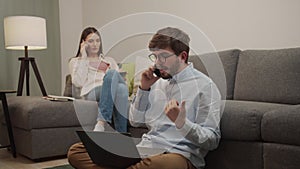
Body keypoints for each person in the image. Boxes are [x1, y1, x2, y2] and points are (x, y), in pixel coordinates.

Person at [68, 27, 222, 169]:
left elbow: (212, 140)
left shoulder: (205, 86)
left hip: (177, 155)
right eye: (155, 57)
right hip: (145, 150)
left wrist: (182, 123)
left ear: (182, 56)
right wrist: (144, 89)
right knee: (76, 152)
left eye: (163, 57)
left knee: (160, 165)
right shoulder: (156, 81)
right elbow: (135, 121)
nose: (157, 63)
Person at [69, 27, 128, 132]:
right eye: (91, 41)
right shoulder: (76, 61)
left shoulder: (109, 60)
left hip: (112, 89)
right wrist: (83, 56)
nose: (95, 44)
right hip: (92, 92)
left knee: (121, 88)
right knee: (115, 77)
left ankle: (113, 131)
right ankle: (107, 123)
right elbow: (78, 82)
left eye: (97, 41)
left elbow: (120, 81)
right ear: (83, 43)